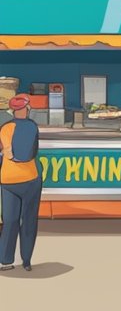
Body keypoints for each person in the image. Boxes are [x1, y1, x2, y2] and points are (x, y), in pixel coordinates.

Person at [0, 94, 41, 272]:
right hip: (29, 179)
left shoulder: (5, 128)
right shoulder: (31, 127)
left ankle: (6, 260)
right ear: (27, 108)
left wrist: (8, 155)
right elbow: (27, 154)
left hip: (7, 180)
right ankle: (26, 260)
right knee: (29, 220)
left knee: (10, 220)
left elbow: (6, 153)